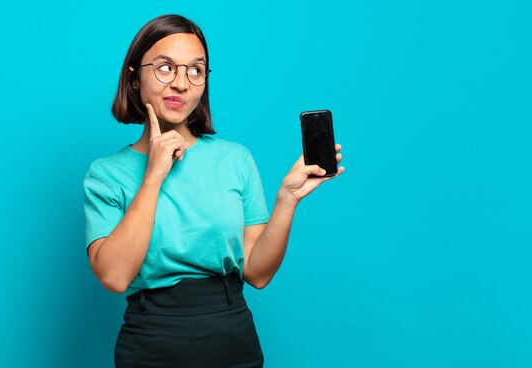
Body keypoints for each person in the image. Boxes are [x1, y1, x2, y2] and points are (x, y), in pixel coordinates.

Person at [83, 14, 344, 368]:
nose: (181, 83)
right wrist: (153, 176)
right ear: (134, 77)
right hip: (149, 339)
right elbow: (114, 276)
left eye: (196, 70)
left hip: (230, 332)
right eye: (165, 68)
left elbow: (257, 273)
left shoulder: (234, 159)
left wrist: (287, 200)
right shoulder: (106, 175)